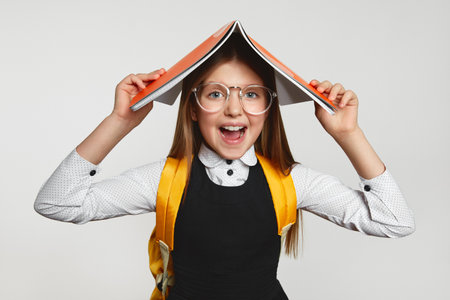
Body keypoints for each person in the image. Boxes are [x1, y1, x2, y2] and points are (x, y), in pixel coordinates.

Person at [34, 34, 415, 299]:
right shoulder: (165, 179)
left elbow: (393, 222)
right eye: (216, 94)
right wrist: (121, 120)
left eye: (251, 94)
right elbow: (57, 203)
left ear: (268, 109)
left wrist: (349, 134)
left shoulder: (291, 180)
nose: (235, 108)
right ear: (194, 109)